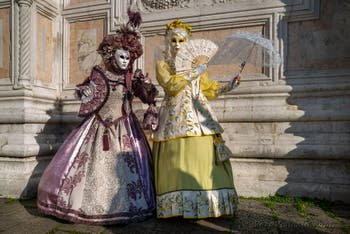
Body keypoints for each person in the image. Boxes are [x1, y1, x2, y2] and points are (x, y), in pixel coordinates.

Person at [37, 9, 158, 225]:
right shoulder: (99, 74)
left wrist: (148, 90)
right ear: (111, 55)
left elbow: (147, 97)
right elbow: (89, 92)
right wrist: (84, 92)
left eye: (128, 58)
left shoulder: (133, 79)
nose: (124, 61)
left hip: (125, 128)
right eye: (121, 56)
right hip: (97, 127)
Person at [152, 19, 239, 219]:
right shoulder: (163, 65)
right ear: (168, 43)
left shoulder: (198, 64)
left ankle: (210, 204)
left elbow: (208, 89)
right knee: (178, 160)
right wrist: (191, 74)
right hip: (175, 118)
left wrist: (228, 86)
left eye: (181, 41)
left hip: (201, 117)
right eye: (173, 41)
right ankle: (177, 207)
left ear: (187, 43)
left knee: (205, 158)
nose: (177, 45)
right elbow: (171, 85)